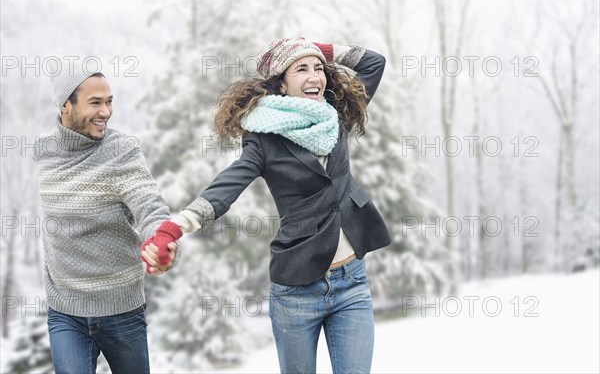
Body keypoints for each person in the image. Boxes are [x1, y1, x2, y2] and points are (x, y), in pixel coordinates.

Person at [144, 38, 391, 373]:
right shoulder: (263, 139)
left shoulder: (335, 116)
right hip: (297, 290)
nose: (314, 76)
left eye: (318, 68)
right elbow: (228, 185)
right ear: (282, 83)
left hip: (352, 282)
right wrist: (175, 226)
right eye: (301, 69)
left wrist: (322, 49)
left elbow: (373, 63)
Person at [33, 61, 183, 374]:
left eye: (109, 101)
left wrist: (161, 238)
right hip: (65, 312)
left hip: (121, 310)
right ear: (65, 105)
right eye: (95, 103)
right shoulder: (43, 151)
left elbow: (149, 204)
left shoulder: (121, 151)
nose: (106, 111)